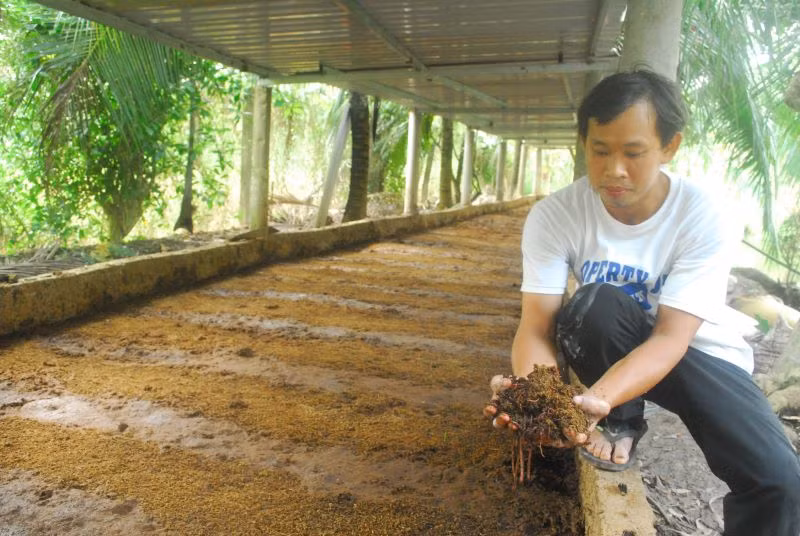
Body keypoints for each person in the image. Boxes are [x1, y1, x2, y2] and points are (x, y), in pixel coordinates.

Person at [484, 69, 800, 536]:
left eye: (633, 153)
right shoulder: (556, 216)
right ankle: (623, 424)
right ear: (584, 142)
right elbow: (536, 328)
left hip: (697, 354)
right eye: (600, 150)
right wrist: (538, 395)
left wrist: (598, 398)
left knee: (781, 483)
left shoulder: (701, 215)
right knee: (595, 305)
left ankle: (614, 409)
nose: (614, 169)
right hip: (612, 338)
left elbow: (672, 337)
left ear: (670, 146)